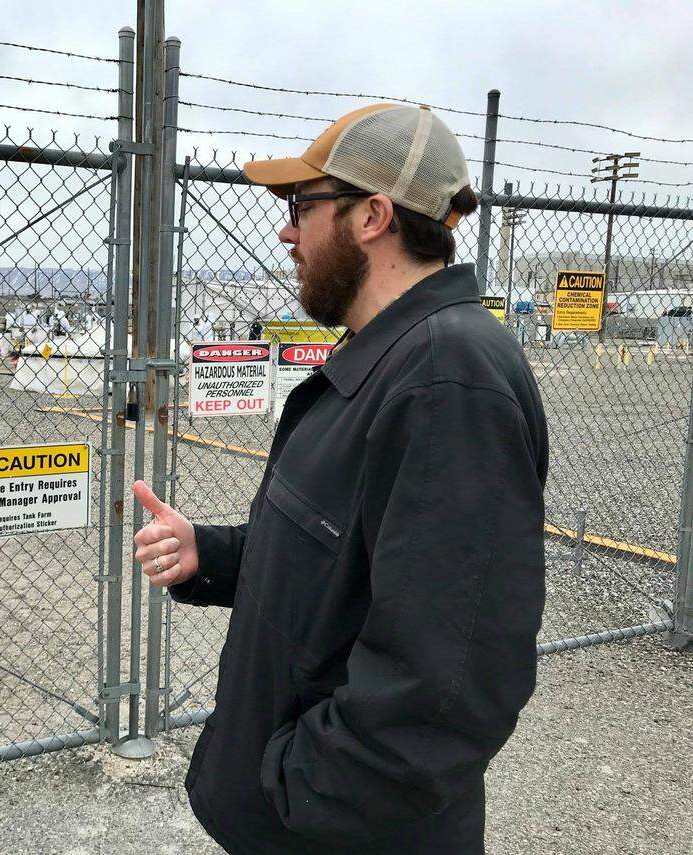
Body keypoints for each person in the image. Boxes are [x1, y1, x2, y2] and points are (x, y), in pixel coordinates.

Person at [133, 103, 547, 854]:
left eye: (302, 206)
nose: (287, 231)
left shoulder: (444, 377)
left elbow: (447, 685)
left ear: (373, 216)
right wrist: (213, 553)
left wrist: (298, 787)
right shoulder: (391, 355)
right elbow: (346, 554)